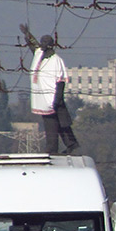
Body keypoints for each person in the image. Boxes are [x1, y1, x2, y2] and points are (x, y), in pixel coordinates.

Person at [22, 24, 79, 156]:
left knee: (53, 124)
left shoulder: (56, 60)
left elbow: (61, 81)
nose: (42, 44)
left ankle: (52, 148)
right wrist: (27, 35)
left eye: (45, 43)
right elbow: (33, 45)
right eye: (41, 42)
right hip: (42, 97)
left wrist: (57, 99)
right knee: (60, 122)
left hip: (52, 97)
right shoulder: (39, 54)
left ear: (50, 45)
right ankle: (71, 143)